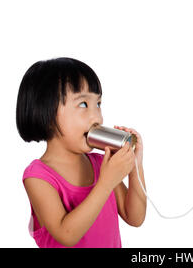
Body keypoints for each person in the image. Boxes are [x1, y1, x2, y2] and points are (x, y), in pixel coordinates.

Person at [16, 57, 146, 247]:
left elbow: (135, 217)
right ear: (47, 113)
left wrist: (135, 166)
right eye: (83, 104)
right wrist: (106, 182)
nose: (97, 117)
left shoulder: (102, 164)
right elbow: (66, 234)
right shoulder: (38, 176)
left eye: (98, 104)